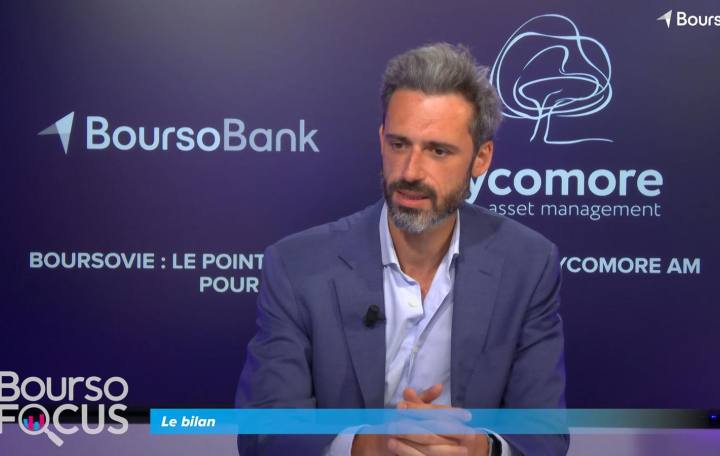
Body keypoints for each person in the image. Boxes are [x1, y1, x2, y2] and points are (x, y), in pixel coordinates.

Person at [235, 42, 568, 456]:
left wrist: (481, 449)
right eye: (399, 145)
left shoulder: (527, 264)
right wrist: (364, 445)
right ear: (381, 140)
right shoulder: (297, 267)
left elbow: (543, 435)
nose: (410, 172)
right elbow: (263, 431)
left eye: (438, 151)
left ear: (481, 158)